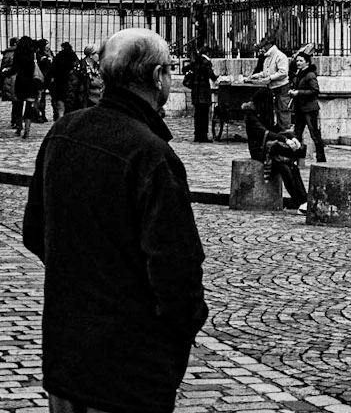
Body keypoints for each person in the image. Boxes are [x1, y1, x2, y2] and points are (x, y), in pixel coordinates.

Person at [22, 27, 207, 413]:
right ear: (159, 78)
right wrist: (174, 341)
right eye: (171, 69)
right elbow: (177, 270)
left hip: (66, 353)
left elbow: (34, 233)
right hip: (129, 369)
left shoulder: (61, 132)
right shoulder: (151, 155)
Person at [240, 102, 308, 208]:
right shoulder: (252, 116)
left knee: (292, 167)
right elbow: (264, 133)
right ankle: (299, 201)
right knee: (284, 167)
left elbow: (279, 129)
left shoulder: (267, 114)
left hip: (271, 149)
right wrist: (285, 139)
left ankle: (304, 200)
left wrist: (292, 137)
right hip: (260, 151)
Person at [246, 30, 293, 130]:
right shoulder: (267, 57)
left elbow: (283, 72)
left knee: (283, 109)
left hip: (282, 86)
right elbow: (266, 71)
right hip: (272, 86)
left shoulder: (280, 56)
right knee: (274, 109)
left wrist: (270, 78)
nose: (263, 48)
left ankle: (285, 129)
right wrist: (257, 75)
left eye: (265, 46)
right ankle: (278, 128)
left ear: (270, 45)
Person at [289, 49, 326, 161]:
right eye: (297, 61)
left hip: (310, 109)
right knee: (297, 134)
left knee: (315, 135)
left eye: (301, 61)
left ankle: (321, 158)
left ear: (307, 62)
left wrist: (299, 93)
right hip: (300, 108)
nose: (298, 63)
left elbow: (315, 90)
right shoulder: (298, 74)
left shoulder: (310, 75)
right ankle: (297, 158)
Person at [185, 42, 216, 144]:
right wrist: (218, 77)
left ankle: (197, 135)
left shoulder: (196, 61)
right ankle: (203, 136)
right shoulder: (206, 62)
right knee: (204, 115)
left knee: (197, 114)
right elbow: (211, 75)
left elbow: (185, 68)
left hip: (196, 92)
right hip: (203, 92)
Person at [11, 31, 40, 138]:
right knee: (29, 107)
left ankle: (19, 128)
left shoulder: (17, 53)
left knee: (18, 106)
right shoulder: (32, 54)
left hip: (20, 82)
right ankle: (27, 130)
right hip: (31, 83)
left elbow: (14, 69)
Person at [47, 41, 78, 123]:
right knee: (69, 102)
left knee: (60, 102)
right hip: (70, 82)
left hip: (59, 82)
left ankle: (60, 118)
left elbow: (52, 69)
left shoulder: (59, 56)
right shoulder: (73, 56)